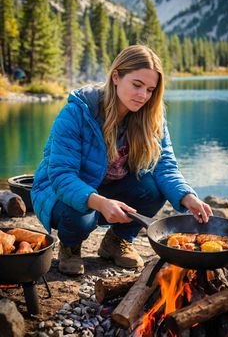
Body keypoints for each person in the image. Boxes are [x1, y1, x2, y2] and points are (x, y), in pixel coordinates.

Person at [31, 45, 212, 275]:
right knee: (80, 216)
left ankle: (116, 241)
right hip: (59, 190)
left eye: (150, 89)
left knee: (154, 188)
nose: (143, 96)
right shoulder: (78, 112)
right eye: (137, 85)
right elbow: (61, 176)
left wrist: (188, 197)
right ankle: (70, 246)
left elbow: (164, 166)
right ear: (116, 76)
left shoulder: (151, 116)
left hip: (110, 187)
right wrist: (100, 202)